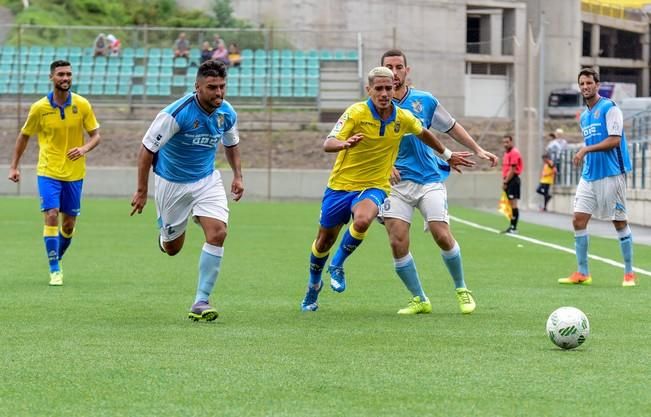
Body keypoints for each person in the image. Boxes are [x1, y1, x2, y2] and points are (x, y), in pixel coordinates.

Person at [299, 66, 475, 312]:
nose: (384, 93)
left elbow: (424, 133)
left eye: (388, 88)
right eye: (378, 88)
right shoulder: (356, 113)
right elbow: (328, 143)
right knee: (323, 241)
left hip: (375, 185)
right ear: (368, 89)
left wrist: (446, 155)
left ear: (395, 89)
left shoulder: (402, 117)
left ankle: (338, 264)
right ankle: (313, 286)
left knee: (362, 220)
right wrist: (344, 144)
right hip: (341, 185)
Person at [380, 49, 499, 315]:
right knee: (397, 241)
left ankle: (461, 288)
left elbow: (452, 126)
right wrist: (383, 167)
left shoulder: (424, 101)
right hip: (395, 185)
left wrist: (478, 149)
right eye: (389, 67)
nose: (395, 72)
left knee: (441, 234)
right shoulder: (374, 107)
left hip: (428, 178)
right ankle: (419, 298)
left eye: (399, 67)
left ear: (407, 71)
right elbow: (368, 144)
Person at [130, 60, 244, 321]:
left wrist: (238, 176)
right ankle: (165, 236)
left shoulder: (227, 113)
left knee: (218, 233)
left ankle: (201, 300)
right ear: (198, 86)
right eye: (212, 87)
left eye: (222, 87)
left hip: (206, 181)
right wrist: (141, 190)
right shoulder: (176, 113)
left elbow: (232, 143)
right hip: (172, 184)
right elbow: (147, 150)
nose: (219, 93)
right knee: (172, 248)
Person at [7, 60, 101, 286]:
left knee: (68, 224)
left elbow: (96, 135)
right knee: (51, 214)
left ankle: (56, 255)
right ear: (52, 78)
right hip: (48, 170)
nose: (65, 78)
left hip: (74, 173)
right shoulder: (39, 108)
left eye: (68, 74)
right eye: (61, 74)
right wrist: (14, 166)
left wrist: (84, 148)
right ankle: (54, 269)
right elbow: (24, 136)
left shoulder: (82, 104)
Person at [558, 68, 635, 287]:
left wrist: (585, 150)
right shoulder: (584, 116)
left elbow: (613, 140)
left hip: (612, 173)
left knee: (619, 222)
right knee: (578, 220)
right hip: (589, 175)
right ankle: (583, 272)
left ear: (597, 84)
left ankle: (629, 273)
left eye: (589, 83)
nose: (585, 87)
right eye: (581, 84)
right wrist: (585, 152)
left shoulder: (610, 108)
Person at [500, 135, 523, 234]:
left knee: (513, 204)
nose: (505, 144)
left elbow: (512, 170)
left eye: (507, 142)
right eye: (504, 142)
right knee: (510, 204)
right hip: (508, 180)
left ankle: (514, 227)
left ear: (511, 142)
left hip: (512, 180)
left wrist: (506, 182)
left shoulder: (514, 153)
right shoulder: (506, 153)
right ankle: (511, 226)